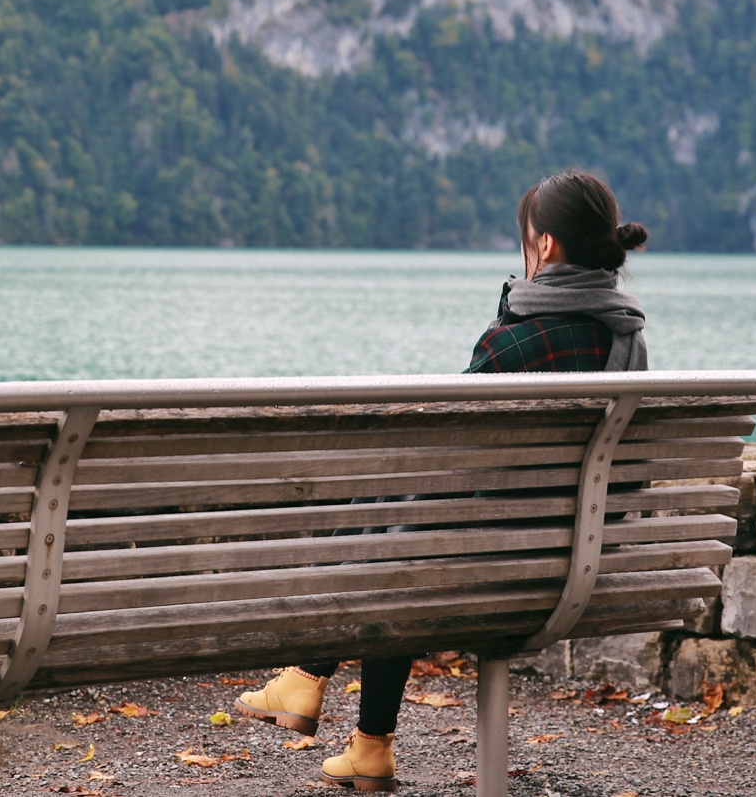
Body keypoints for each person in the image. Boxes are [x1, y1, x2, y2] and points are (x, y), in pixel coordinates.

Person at [235, 170, 651, 791]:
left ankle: (319, 685)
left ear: (542, 247)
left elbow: (442, 451)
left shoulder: (518, 343)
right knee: (406, 527)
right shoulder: (630, 340)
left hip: (495, 568)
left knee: (401, 533)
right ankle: (358, 738)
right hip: (575, 562)